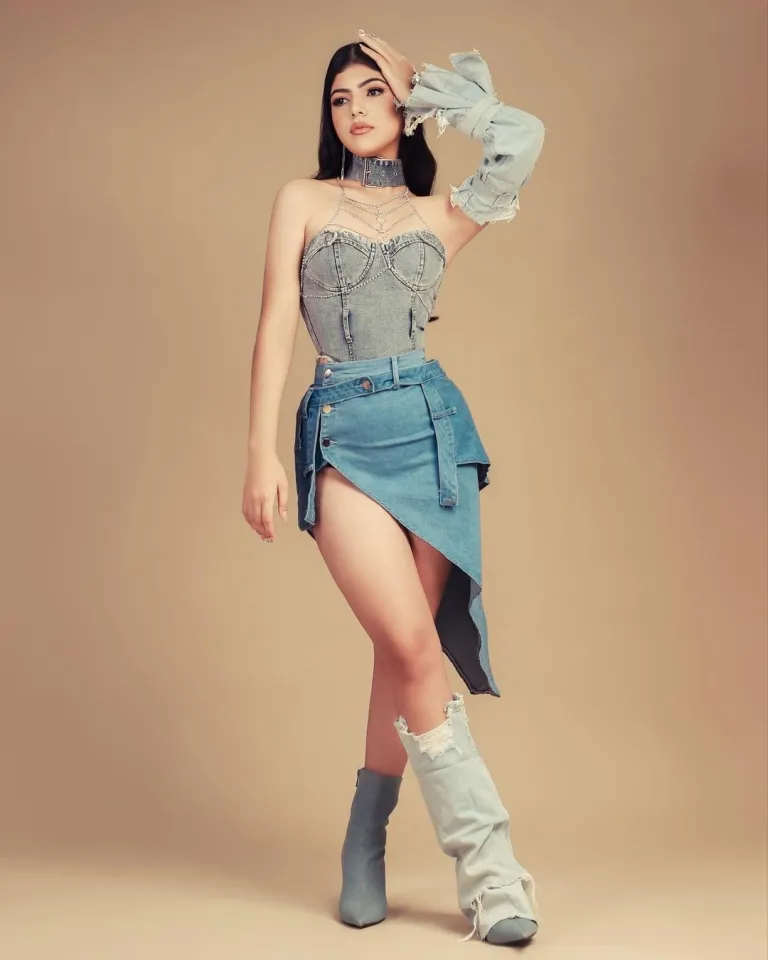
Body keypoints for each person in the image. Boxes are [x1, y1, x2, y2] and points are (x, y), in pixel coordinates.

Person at [242, 30, 545, 946]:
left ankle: (365, 834)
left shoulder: (437, 215)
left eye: (374, 92)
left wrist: (434, 90)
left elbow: (522, 138)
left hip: (432, 434)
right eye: (341, 98)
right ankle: (491, 874)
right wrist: (259, 453)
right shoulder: (302, 199)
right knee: (412, 643)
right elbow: (275, 325)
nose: (357, 109)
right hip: (343, 431)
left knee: (401, 650)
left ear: (401, 107)